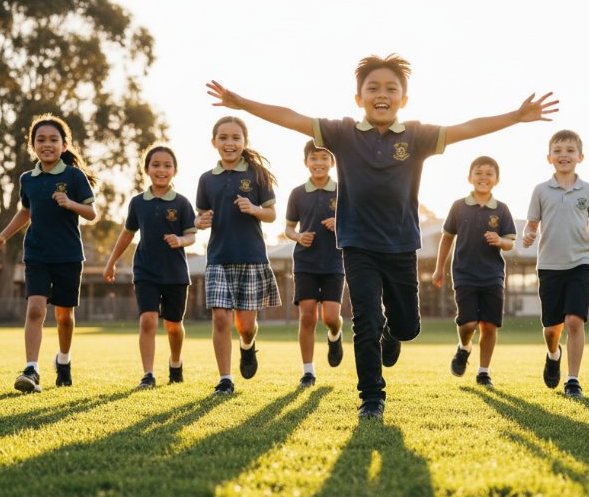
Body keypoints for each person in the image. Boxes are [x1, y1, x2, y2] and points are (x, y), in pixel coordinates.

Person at [206, 54, 558, 418]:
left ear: (404, 99)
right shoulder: (342, 134)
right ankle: (371, 397)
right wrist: (242, 103)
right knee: (365, 320)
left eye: (391, 88)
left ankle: (394, 335)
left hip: (402, 245)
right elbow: (293, 118)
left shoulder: (417, 136)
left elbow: (466, 128)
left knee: (406, 327)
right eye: (372, 88)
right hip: (358, 246)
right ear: (358, 97)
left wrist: (515, 116)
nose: (382, 94)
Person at [0, 114, 97, 393]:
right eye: (41, 140)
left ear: (64, 144)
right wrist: (2, 236)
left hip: (69, 255)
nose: (47, 144)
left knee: (64, 316)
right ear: (32, 145)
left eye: (53, 140)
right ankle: (31, 369)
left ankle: (63, 360)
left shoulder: (74, 176)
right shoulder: (28, 179)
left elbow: (92, 212)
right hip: (36, 254)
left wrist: (70, 203)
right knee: (36, 309)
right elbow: (25, 212)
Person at [195, 116, 282, 395]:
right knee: (220, 318)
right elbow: (200, 216)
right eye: (223, 138)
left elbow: (271, 214)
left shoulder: (257, 175)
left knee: (245, 325)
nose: (229, 143)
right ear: (213, 143)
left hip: (252, 256)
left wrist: (254, 209)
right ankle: (225, 379)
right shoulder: (206, 179)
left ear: (245, 142)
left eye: (235, 138)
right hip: (218, 257)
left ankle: (247, 346)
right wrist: (200, 221)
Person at [103, 145, 197, 390]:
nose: (161, 170)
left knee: (174, 326)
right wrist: (111, 261)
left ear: (175, 171)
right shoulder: (137, 203)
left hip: (175, 274)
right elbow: (127, 234)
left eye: (167, 166)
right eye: (156, 165)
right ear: (146, 169)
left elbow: (191, 237)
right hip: (145, 271)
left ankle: (175, 363)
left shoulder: (182, 203)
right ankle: (148, 375)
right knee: (148, 320)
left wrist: (180, 241)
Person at [522, 129, 589, 399]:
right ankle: (552, 353)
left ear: (580, 156)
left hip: (580, 263)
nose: (564, 156)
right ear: (549, 158)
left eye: (570, 151)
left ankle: (572, 380)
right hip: (549, 265)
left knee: (573, 320)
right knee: (551, 328)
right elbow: (531, 224)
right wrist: (528, 234)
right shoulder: (540, 191)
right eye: (558, 151)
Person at [431, 156, 516, 387]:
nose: (483, 177)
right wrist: (439, 268)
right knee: (468, 324)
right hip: (464, 273)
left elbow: (510, 243)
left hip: (492, 275)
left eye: (489, 173)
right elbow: (446, 238)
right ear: (470, 178)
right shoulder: (459, 206)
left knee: (488, 325)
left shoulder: (502, 209)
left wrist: (499, 240)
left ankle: (483, 371)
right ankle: (464, 347)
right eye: (478, 172)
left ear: (496, 180)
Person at [285, 140, 346, 388]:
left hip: (334, 261)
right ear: (306, 162)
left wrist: (339, 222)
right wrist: (299, 236)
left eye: (323, 158)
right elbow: (288, 228)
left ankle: (335, 334)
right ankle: (308, 372)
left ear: (332, 163)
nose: (318, 163)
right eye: (314, 158)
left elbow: (359, 221)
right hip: (305, 262)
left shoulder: (343, 191)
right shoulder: (298, 193)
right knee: (307, 316)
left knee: (331, 316)